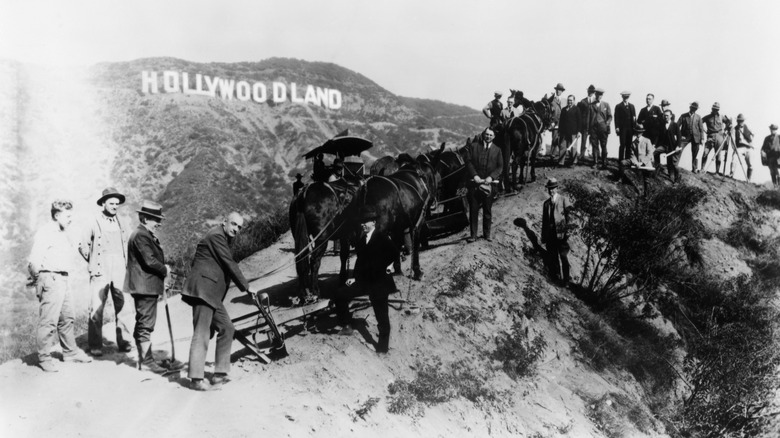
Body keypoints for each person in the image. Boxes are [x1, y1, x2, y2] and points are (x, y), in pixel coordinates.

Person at [181, 212, 252, 391]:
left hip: (211, 294)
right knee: (202, 333)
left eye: (239, 227)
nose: (236, 229)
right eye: (234, 224)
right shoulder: (216, 236)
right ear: (224, 222)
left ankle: (219, 374)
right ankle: (196, 379)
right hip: (204, 291)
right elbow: (229, 262)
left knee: (227, 328)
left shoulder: (222, 237)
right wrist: (247, 287)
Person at [28, 200, 93, 372]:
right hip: (50, 278)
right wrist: (40, 281)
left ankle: (70, 353)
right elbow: (34, 261)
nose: (71, 219)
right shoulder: (46, 232)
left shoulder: (63, 232)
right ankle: (44, 357)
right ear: (57, 215)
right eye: (68, 216)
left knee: (67, 318)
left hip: (63, 278)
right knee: (48, 321)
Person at [335, 206, 399, 354]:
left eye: (366, 221)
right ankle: (347, 325)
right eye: (362, 222)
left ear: (374, 223)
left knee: (381, 316)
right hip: (364, 281)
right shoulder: (361, 240)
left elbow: (394, 254)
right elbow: (360, 262)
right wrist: (354, 278)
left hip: (379, 282)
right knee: (340, 294)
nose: (363, 224)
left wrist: (386, 267)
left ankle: (382, 348)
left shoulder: (382, 237)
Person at [79, 187, 132, 357]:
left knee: (123, 306)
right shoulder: (93, 222)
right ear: (103, 203)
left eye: (117, 203)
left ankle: (124, 342)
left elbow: (129, 244)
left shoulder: (123, 222)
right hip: (101, 268)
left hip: (120, 268)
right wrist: (93, 261)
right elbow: (83, 245)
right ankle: (95, 345)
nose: (115, 206)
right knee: (96, 307)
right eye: (111, 203)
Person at [124, 201, 170, 374]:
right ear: (144, 218)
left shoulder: (144, 234)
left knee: (143, 323)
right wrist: (165, 269)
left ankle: (146, 359)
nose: (159, 222)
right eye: (155, 219)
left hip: (146, 286)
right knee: (145, 324)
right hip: (144, 287)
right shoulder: (141, 235)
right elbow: (150, 261)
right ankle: (147, 362)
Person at [465, 128, 503, 242]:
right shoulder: (474, 147)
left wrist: (491, 177)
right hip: (474, 185)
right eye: (486, 134)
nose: (488, 137)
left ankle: (487, 235)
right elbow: (468, 162)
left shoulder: (497, 150)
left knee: (487, 210)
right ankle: (473, 235)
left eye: (491, 135)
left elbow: (500, 167)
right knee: (474, 209)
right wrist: (475, 175)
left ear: (494, 137)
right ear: (483, 135)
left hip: (489, 185)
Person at [541, 179, 571, 285]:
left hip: (561, 233)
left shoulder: (563, 200)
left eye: (553, 189)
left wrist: (567, 231)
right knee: (553, 256)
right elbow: (544, 222)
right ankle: (557, 277)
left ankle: (566, 279)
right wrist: (544, 237)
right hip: (551, 234)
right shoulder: (546, 204)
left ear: (557, 188)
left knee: (563, 255)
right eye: (549, 189)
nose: (551, 191)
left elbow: (569, 216)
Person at [677, 102, 705, 173]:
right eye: (693, 108)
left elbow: (701, 129)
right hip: (685, 137)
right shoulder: (683, 116)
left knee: (695, 152)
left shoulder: (698, 117)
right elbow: (677, 126)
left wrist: (702, 138)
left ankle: (694, 168)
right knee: (679, 149)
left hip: (696, 137)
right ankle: (675, 165)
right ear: (690, 108)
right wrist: (680, 136)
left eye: (695, 109)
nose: (694, 109)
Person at [654, 110, 682, 183]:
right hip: (663, 146)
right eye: (664, 115)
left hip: (672, 147)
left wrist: (678, 146)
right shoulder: (661, 124)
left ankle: (676, 177)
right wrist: (654, 144)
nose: (666, 117)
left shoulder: (675, 125)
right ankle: (656, 170)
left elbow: (679, 136)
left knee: (672, 163)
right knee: (655, 152)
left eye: (667, 115)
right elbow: (657, 135)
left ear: (671, 116)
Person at [588, 88, 612, 169]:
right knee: (595, 145)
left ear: (602, 96)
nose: (599, 96)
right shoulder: (591, 105)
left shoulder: (606, 104)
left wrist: (607, 123)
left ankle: (604, 162)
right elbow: (588, 118)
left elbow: (610, 116)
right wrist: (589, 129)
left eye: (600, 95)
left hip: (603, 128)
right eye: (598, 94)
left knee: (603, 145)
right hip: (593, 128)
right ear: (595, 95)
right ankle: (595, 162)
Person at [574, 85, 596, 165]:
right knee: (584, 140)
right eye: (589, 92)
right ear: (587, 92)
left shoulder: (596, 102)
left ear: (594, 93)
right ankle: (582, 155)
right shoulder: (583, 101)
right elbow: (578, 113)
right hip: (585, 125)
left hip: (593, 125)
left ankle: (595, 157)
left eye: (592, 92)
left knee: (594, 141)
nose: (591, 93)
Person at [702, 102, 726, 175]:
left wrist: (725, 130)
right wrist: (704, 130)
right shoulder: (707, 117)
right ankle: (702, 169)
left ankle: (717, 172)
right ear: (712, 109)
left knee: (718, 155)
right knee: (705, 153)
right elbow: (700, 122)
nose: (715, 110)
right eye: (714, 109)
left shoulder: (722, 117)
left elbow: (729, 123)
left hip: (719, 136)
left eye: (717, 109)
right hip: (710, 136)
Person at [557, 95, 581, 166]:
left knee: (573, 147)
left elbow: (579, 121)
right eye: (568, 100)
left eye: (571, 100)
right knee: (562, 146)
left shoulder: (577, 109)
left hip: (573, 132)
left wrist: (578, 132)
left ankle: (574, 162)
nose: (569, 101)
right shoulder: (564, 109)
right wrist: (559, 131)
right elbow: (561, 121)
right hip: (564, 132)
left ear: (574, 101)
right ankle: (561, 162)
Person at [614, 91, 636, 164]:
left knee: (629, 145)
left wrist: (635, 128)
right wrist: (617, 127)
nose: (626, 99)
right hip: (622, 128)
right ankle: (620, 160)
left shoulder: (632, 106)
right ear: (622, 97)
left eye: (627, 97)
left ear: (628, 97)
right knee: (622, 144)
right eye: (624, 97)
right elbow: (616, 117)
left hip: (630, 128)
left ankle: (627, 160)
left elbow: (634, 118)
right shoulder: (618, 106)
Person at [731, 114, 754, 181]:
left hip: (748, 148)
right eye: (739, 121)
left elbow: (753, 134)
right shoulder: (734, 129)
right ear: (737, 121)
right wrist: (734, 148)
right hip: (740, 147)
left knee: (750, 163)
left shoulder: (747, 127)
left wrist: (751, 141)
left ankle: (748, 179)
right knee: (734, 158)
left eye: (742, 121)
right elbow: (732, 139)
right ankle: (731, 174)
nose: (741, 122)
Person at [547, 83, 565, 158]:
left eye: (560, 90)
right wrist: (551, 122)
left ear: (562, 91)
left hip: (563, 123)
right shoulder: (551, 100)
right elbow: (549, 112)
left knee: (562, 139)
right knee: (554, 139)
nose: (558, 92)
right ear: (556, 90)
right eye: (557, 90)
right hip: (554, 123)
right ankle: (553, 154)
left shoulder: (565, 100)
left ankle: (561, 155)